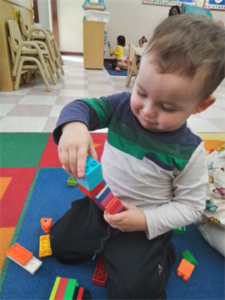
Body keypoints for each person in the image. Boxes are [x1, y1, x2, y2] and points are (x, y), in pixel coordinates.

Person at [50, 14, 225, 300]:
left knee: (134, 294)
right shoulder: (121, 106)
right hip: (101, 205)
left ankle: (162, 252)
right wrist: (74, 126)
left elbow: (192, 208)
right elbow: (82, 107)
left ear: (200, 106)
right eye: (141, 92)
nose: (146, 110)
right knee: (60, 247)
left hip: (143, 226)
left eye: (167, 107)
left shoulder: (189, 151)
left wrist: (145, 220)